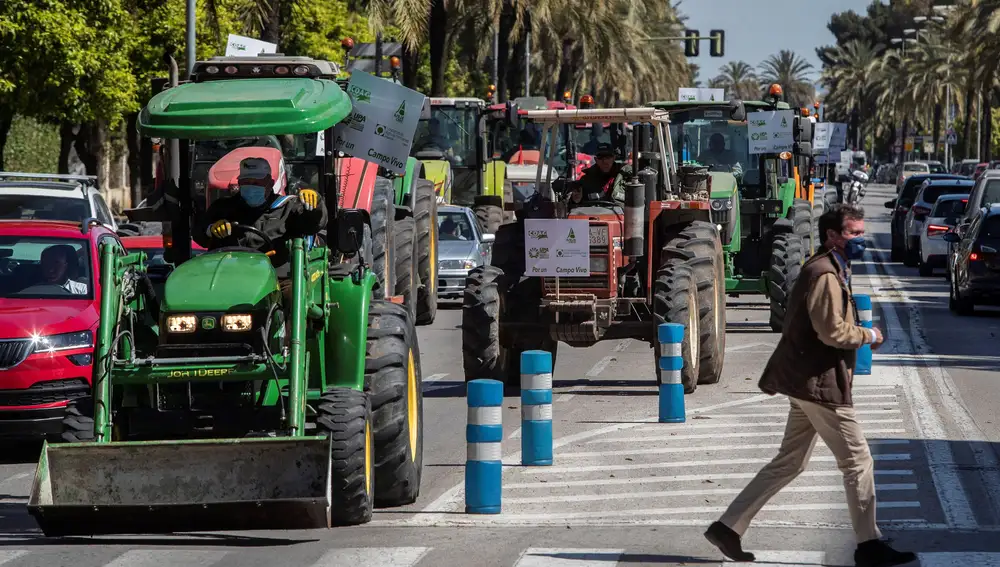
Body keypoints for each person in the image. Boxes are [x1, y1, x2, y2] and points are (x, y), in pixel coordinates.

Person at [704, 204, 916, 567]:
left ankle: (728, 527)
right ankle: (869, 545)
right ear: (833, 236)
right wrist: (868, 334)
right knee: (858, 462)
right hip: (820, 385)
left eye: (862, 232)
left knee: (789, 462)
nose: (860, 239)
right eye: (854, 233)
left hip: (805, 382)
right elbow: (831, 331)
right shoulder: (824, 275)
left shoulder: (830, 268)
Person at [193, 155, 327, 302]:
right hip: (229, 275)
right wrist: (210, 229)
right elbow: (200, 234)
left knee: (293, 295)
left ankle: (287, 324)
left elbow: (313, 224)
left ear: (270, 183)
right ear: (239, 183)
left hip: (277, 276)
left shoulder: (288, 207)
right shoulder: (223, 208)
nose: (251, 186)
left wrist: (316, 205)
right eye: (246, 182)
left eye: (257, 182)